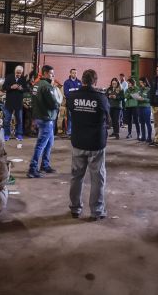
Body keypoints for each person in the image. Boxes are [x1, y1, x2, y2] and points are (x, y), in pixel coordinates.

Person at [67, 69, 110, 220]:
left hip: (78, 141)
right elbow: (108, 118)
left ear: (82, 80)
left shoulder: (72, 97)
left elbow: (72, 113)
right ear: (95, 81)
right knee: (97, 178)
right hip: (95, 143)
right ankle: (97, 211)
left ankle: (75, 208)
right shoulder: (101, 98)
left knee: (76, 177)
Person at [28, 65, 60, 179]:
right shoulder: (47, 87)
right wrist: (58, 103)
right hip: (46, 118)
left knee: (49, 143)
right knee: (41, 144)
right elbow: (53, 103)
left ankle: (45, 165)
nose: (53, 76)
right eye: (51, 73)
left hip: (39, 116)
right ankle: (32, 169)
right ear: (45, 73)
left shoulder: (36, 85)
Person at [1, 65, 30, 141]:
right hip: (9, 103)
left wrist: (22, 88)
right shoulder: (9, 77)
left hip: (18, 103)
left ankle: (19, 134)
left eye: (20, 73)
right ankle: (6, 135)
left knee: (19, 120)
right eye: (17, 72)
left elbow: (27, 89)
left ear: (22, 73)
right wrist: (11, 87)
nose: (18, 74)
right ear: (15, 71)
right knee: (7, 120)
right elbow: (3, 87)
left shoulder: (23, 79)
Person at [63, 69, 82, 136]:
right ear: (70, 73)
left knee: (77, 117)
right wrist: (75, 93)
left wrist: (73, 92)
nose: (74, 74)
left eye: (75, 73)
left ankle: (76, 131)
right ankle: (69, 132)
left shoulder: (79, 82)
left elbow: (81, 92)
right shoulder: (66, 82)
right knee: (70, 117)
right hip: (70, 103)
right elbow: (66, 93)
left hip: (78, 103)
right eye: (73, 73)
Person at [136, 78, 152, 143]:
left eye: (141, 82)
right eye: (139, 82)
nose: (140, 84)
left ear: (145, 83)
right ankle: (143, 137)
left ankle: (149, 137)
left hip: (146, 108)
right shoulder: (139, 89)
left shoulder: (149, 89)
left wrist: (143, 99)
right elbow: (137, 97)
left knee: (148, 123)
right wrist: (137, 98)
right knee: (142, 123)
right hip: (140, 107)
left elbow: (150, 99)